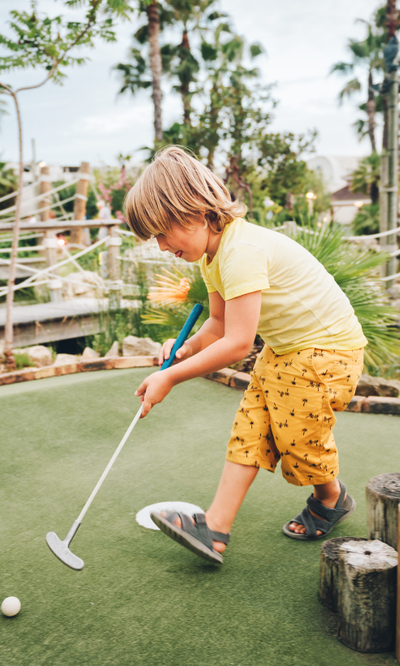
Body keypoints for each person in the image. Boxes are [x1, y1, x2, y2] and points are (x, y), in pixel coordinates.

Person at [126, 146, 367, 564]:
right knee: (251, 428)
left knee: (299, 444)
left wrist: (171, 377)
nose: (162, 247)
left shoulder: (241, 252)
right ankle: (215, 529)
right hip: (288, 351)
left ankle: (332, 497)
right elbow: (218, 325)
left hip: (327, 352)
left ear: (194, 214)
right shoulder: (213, 257)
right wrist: (182, 352)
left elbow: (238, 343)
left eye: (163, 234)